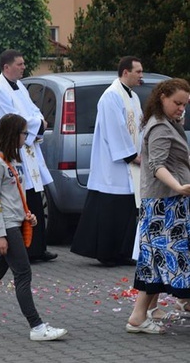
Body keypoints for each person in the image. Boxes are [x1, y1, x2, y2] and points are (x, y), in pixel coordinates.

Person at [0, 113, 68, 341]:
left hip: (14, 223)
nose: (25, 137)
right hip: (6, 227)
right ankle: (37, 327)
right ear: (12, 134)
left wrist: (26, 215)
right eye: (23, 133)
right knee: (23, 273)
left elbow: (13, 197)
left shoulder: (14, 162)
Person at [0, 49, 56, 262]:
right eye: (19, 64)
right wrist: (38, 123)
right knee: (15, 197)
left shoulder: (20, 86)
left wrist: (39, 120)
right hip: (11, 148)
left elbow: (33, 110)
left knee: (32, 197)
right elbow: (11, 119)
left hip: (26, 147)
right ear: (6, 67)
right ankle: (21, 248)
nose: (23, 67)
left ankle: (37, 247)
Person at [125, 78, 190, 334]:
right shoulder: (161, 127)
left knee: (156, 260)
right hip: (165, 205)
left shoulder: (169, 123)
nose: (181, 108)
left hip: (167, 203)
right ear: (162, 96)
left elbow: (177, 159)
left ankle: (143, 313)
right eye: (177, 103)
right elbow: (156, 166)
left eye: (185, 105)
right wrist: (178, 186)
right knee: (162, 259)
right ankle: (139, 316)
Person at [71, 56, 144, 266]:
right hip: (114, 164)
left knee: (128, 209)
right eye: (138, 71)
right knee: (110, 210)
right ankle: (106, 252)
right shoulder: (111, 96)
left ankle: (123, 251)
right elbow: (116, 129)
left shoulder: (133, 97)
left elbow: (138, 126)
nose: (141, 76)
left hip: (130, 164)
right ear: (125, 72)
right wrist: (131, 155)